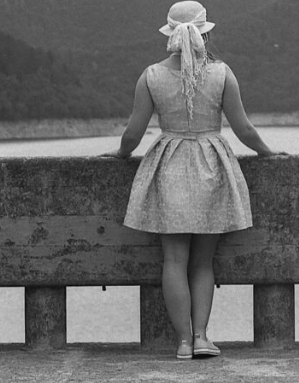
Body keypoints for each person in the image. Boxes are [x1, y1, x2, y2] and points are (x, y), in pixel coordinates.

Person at [104, 1, 282, 360]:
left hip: (169, 165)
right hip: (212, 165)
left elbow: (133, 133)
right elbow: (244, 129)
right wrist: (269, 152)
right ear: (205, 34)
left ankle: (183, 342)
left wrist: (119, 154)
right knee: (203, 262)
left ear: (170, 34)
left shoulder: (151, 76)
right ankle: (202, 337)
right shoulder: (222, 74)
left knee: (173, 260)